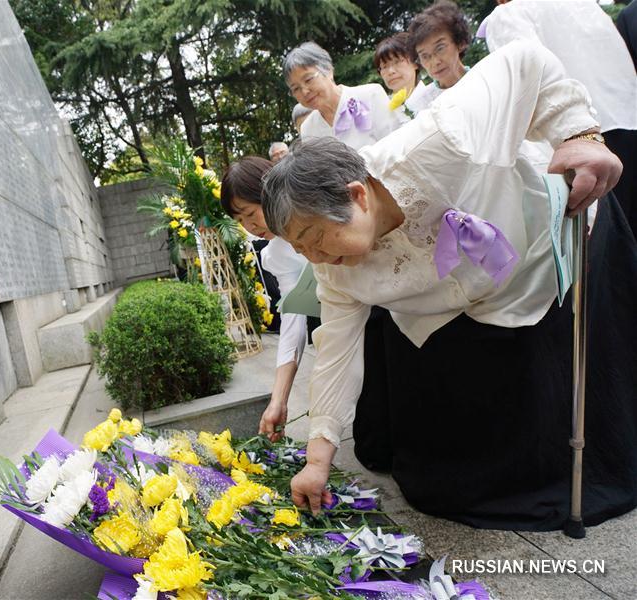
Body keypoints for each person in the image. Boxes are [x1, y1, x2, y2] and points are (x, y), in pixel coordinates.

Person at [261, 41, 633, 531]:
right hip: (466, 303)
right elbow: (335, 355)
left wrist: (580, 134)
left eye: (314, 238)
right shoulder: (334, 267)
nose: (316, 259)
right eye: (300, 248)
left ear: (356, 195)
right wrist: (317, 460)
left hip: (545, 241)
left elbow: (523, 62)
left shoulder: (436, 140)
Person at [482, 0, 637, 234]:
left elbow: (531, 81)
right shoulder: (586, 6)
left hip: (581, 145)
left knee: (613, 258)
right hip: (628, 125)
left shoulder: (507, 16)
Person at [221, 157, 311, 442]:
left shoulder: (316, 208)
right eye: (239, 220)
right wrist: (279, 400)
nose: (249, 226)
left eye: (250, 212)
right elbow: (294, 317)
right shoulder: (276, 253)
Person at [283, 41, 402, 145]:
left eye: (308, 79)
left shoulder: (370, 95)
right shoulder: (308, 128)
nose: (304, 91)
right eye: (295, 88)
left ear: (328, 70)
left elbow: (397, 146)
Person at [405, 0, 472, 114]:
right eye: (425, 56)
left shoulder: (482, 79)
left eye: (440, 48)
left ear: (460, 43)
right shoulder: (420, 105)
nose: (435, 62)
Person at [373, 32, 424, 117]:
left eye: (397, 62)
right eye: (384, 66)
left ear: (415, 63)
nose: (390, 71)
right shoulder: (379, 113)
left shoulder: (435, 97)